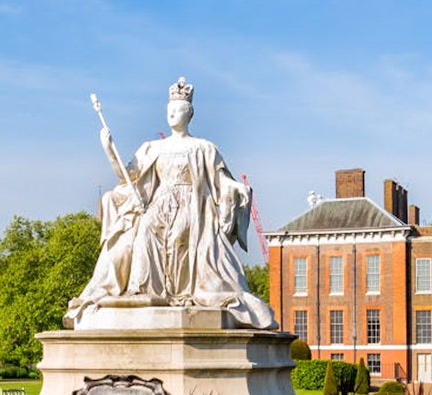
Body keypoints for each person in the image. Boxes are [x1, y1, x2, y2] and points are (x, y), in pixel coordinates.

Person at [65, 77, 276, 330]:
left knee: (180, 238)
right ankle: (142, 290)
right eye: (169, 110)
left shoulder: (204, 147)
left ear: (189, 114)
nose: (172, 114)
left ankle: (178, 291)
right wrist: (109, 149)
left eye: (177, 110)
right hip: (160, 204)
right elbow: (127, 175)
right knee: (144, 234)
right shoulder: (153, 147)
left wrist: (237, 188)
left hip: (192, 208)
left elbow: (221, 180)